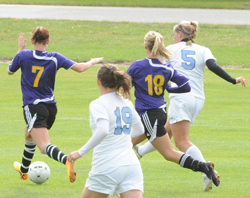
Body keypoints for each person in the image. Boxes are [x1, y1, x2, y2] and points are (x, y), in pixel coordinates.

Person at [133, 21, 246, 191]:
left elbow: (155, 66)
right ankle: (141, 151)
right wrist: (232, 80)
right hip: (198, 99)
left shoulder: (172, 49)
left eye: (174, 33)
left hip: (181, 97)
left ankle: (206, 171)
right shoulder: (203, 49)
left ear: (179, 33)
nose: (173, 36)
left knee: (181, 142)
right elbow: (213, 66)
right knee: (167, 128)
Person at [8, 26, 103, 183]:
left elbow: (10, 71)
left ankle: (67, 160)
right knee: (28, 134)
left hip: (34, 106)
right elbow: (79, 68)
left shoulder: (24, 56)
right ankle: (24, 170)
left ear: (32, 40)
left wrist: (20, 49)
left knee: (44, 146)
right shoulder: (55, 57)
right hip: (51, 108)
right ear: (48, 41)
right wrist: (92, 61)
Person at [127, 30, 220, 189]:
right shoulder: (166, 68)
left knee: (169, 153)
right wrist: (169, 88)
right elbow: (185, 85)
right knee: (127, 144)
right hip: (159, 114)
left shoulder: (137, 66)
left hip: (149, 115)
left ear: (145, 46)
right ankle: (204, 167)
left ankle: (203, 167)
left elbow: (124, 86)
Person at [67, 64, 144, 198]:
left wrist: (79, 153)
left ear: (98, 81)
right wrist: (120, 136)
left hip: (106, 165)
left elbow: (103, 130)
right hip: (131, 165)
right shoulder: (127, 103)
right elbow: (140, 130)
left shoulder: (98, 104)